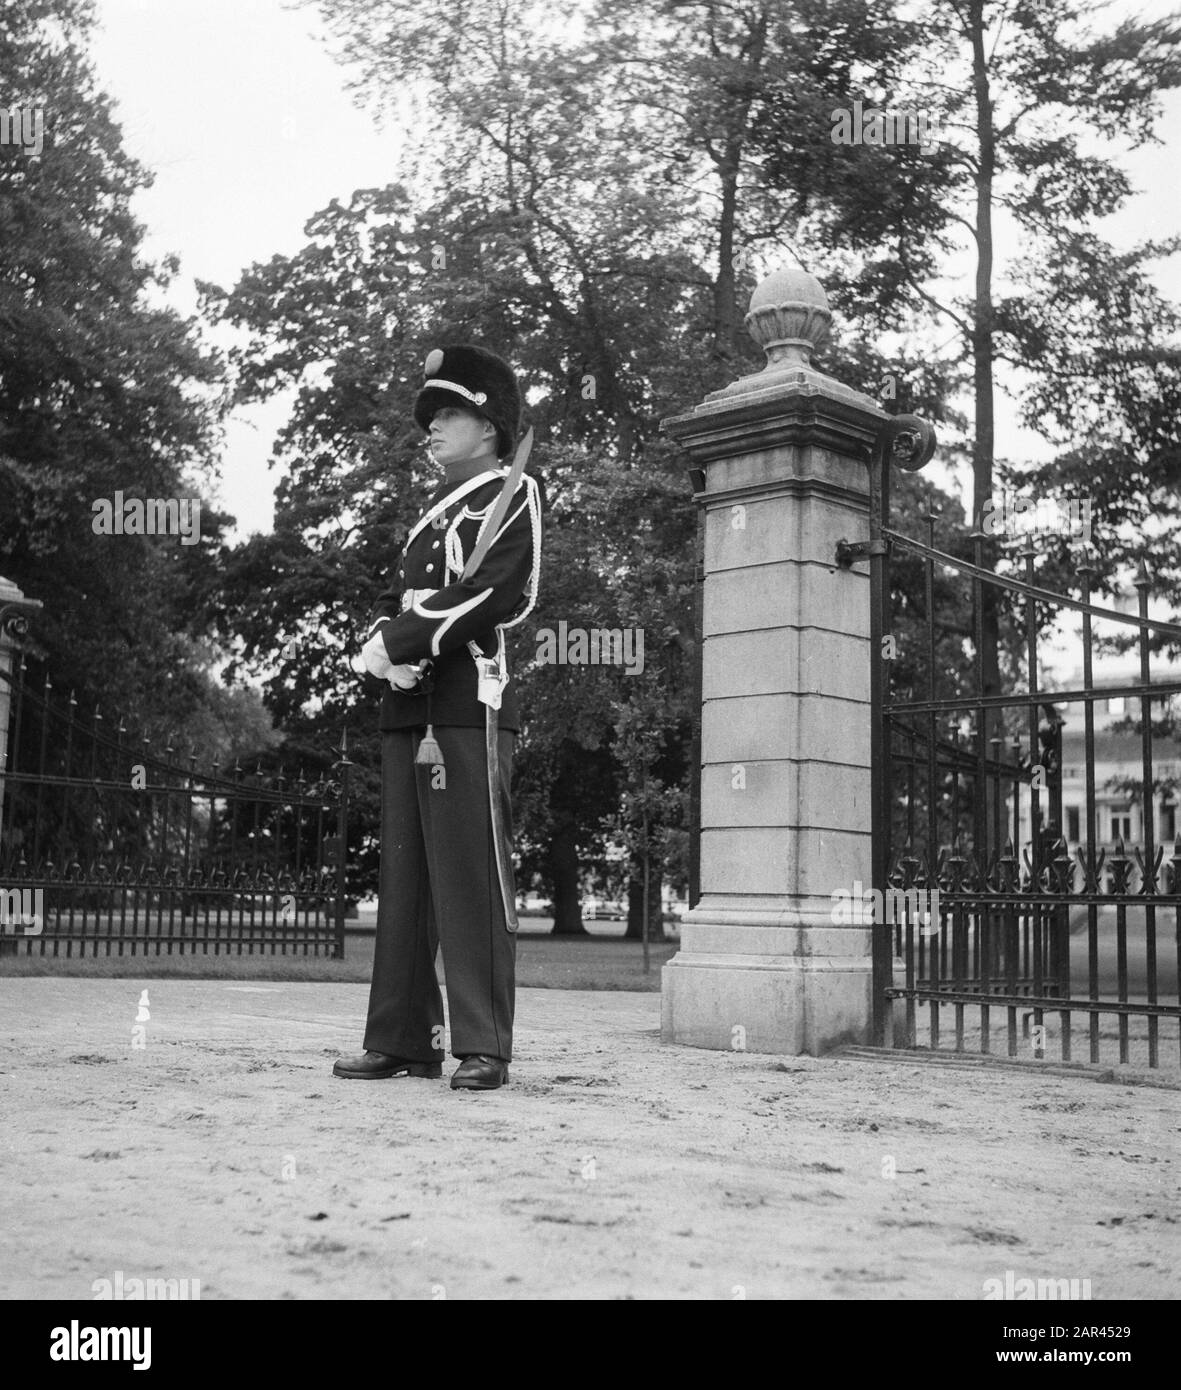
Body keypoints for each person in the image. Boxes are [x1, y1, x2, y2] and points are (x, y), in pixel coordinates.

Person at [333, 344, 541, 1091]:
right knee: (407, 877)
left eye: (448, 412)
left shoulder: (510, 495)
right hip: (409, 703)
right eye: (431, 415)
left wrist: (398, 639)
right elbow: (427, 602)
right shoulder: (434, 517)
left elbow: (497, 592)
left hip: (464, 706)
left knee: (470, 874)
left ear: (489, 426)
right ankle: (401, 1036)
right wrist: (393, 654)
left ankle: (483, 1043)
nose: (432, 427)